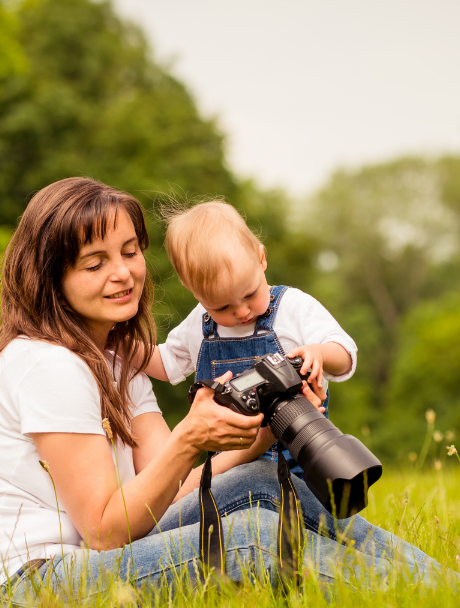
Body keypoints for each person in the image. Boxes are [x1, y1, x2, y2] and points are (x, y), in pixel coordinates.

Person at [0, 178, 460, 608]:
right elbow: (106, 532)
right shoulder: (48, 363)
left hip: (80, 563)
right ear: (51, 278)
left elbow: (168, 498)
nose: (123, 273)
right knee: (250, 542)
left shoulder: (117, 360)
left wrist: (263, 433)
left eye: (130, 251)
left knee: (270, 483)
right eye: (94, 262)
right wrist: (190, 437)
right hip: (15, 593)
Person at [144, 201, 356, 492]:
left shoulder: (291, 307)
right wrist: (122, 349)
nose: (242, 312)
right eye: (222, 306)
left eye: (250, 294)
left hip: (302, 462)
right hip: (229, 471)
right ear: (191, 289)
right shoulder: (200, 324)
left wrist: (319, 353)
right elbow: (166, 362)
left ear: (261, 258)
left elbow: (345, 354)